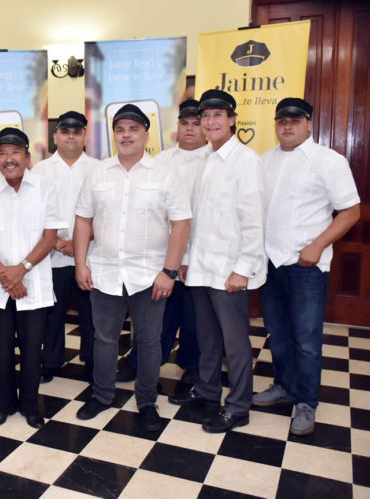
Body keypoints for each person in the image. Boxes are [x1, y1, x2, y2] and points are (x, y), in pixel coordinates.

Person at [73, 104, 191, 432]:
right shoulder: (97, 172)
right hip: (104, 271)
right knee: (104, 338)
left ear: (145, 134)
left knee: (150, 341)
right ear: (114, 135)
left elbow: (182, 224)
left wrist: (168, 271)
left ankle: (148, 401)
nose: (126, 135)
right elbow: (83, 219)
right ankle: (101, 395)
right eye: (120, 129)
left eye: (133, 129)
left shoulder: (165, 173)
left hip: (150, 275)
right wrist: (80, 264)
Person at [253, 97, 360, 435]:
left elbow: (351, 211)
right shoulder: (263, 161)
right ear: (275, 124)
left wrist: (317, 244)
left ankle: (306, 403)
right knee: (278, 334)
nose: (288, 125)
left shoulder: (328, 161)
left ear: (309, 123)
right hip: (269, 263)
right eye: (282, 120)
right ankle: (284, 386)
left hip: (305, 267)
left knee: (307, 339)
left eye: (295, 120)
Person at [168, 89, 266, 433]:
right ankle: (208, 394)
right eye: (205, 116)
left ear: (232, 119)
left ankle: (238, 406)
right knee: (207, 339)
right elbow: (198, 219)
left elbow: (254, 220)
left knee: (235, 343)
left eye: (217, 116)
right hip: (201, 269)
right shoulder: (207, 159)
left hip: (229, 272)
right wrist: (186, 260)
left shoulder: (246, 160)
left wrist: (243, 269)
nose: (210, 122)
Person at [0, 128, 65, 428]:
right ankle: (3, 405)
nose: (9, 159)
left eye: (15, 152)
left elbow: (50, 237)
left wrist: (20, 269)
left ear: (26, 156)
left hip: (32, 283)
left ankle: (30, 406)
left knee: (32, 349)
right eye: (2, 153)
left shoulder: (46, 189)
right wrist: (5, 275)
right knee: (1, 348)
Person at [117, 100, 208, 385]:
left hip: (202, 255)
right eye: (185, 123)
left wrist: (189, 258)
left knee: (195, 320)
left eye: (196, 123)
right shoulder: (161, 162)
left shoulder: (213, 159)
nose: (190, 129)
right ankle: (144, 363)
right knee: (160, 318)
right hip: (164, 257)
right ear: (177, 127)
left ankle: (193, 370)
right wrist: (173, 262)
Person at [33, 111, 97, 383]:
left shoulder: (98, 168)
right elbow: (33, 213)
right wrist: (57, 241)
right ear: (56, 136)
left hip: (91, 257)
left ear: (85, 136)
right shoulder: (40, 170)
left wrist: (81, 241)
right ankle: (51, 362)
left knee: (92, 315)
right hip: (52, 255)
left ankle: (93, 362)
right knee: (52, 313)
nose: (71, 135)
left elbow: (106, 213)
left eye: (77, 131)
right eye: (65, 131)